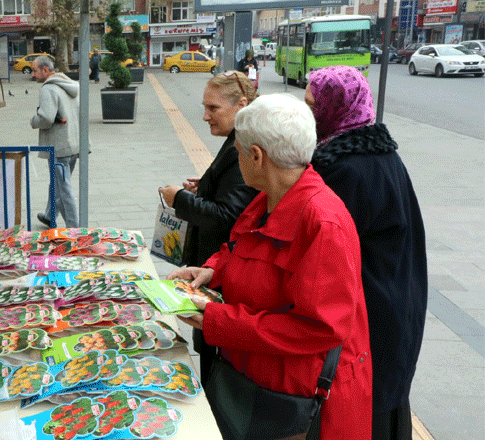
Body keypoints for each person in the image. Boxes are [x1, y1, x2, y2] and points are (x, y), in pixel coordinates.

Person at [170, 94, 373, 439]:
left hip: (297, 405)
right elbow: (242, 249)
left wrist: (214, 318)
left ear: (256, 156)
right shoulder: (267, 198)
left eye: (238, 150)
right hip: (255, 388)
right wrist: (212, 272)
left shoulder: (323, 223)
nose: (237, 157)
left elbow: (318, 328)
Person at [306, 65, 427, 440]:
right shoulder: (380, 154)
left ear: (335, 108)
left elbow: (328, 256)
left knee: (368, 402)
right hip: (396, 300)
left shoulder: (345, 170)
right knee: (387, 399)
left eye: (313, 106)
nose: (306, 114)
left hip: (372, 309)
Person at [158, 71, 259, 385]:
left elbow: (227, 215)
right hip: (215, 268)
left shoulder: (243, 145)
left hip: (223, 276)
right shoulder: (235, 140)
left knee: (216, 363)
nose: (205, 116)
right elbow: (233, 198)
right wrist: (207, 186)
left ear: (241, 104)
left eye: (213, 108)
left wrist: (181, 200)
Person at [30, 55, 80, 228]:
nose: (33, 75)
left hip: (58, 147)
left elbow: (46, 118)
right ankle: (49, 215)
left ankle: (75, 229)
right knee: (58, 184)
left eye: (35, 70)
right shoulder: (69, 85)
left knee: (64, 190)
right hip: (73, 145)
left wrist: (33, 120)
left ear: (45, 70)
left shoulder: (48, 89)